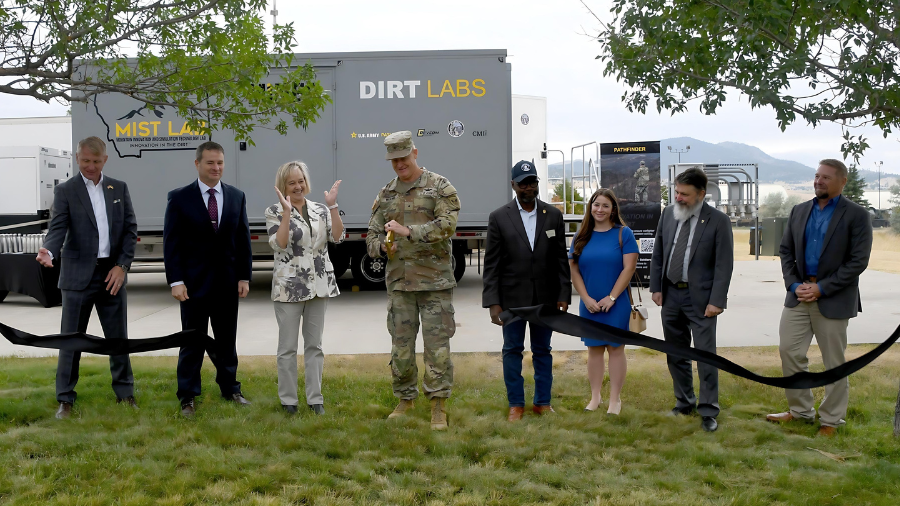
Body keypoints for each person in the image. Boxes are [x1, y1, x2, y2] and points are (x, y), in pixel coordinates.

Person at [766, 159, 872, 437]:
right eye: (816, 176)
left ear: (842, 181)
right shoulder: (800, 210)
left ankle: (831, 420)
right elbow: (786, 251)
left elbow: (857, 261)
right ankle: (800, 411)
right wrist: (793, 285)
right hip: (799, 296)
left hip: (833, 298)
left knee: (834, 362)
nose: (819, 181)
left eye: (826, 177)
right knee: (789, 351)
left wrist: (822, 288)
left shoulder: (856, 215)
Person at [36, 136, 138, 419]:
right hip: (77, 276)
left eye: (95, 161)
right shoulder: (66, 190)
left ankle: (125, 393)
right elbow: (58, 227)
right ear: (77, 159)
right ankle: (65, 399)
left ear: (105, 160)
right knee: (70, 340)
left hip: (112, 274)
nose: (90, 166)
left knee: (118, 338)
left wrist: (122, 266)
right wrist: (49, 250)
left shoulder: (118, 188)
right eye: (85, 161)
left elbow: (130, 230)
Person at [366, 130, 460, 430]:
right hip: (400, 285)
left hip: (434, 284)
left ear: (415, 153)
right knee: (401, 349)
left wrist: (410, 232)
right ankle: (405, 399)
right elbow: (371, 236)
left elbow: (447, 225)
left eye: (403, 158)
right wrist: (382, 246)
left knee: (437, 348)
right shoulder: (386, 194)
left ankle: (438, 405)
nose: (399, 164)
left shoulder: (440, 186)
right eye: (393, 160)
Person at [163, 141, 253, 417]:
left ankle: (230, 388)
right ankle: (188, 395)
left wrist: (244, 276)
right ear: (197, 164)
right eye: (210, 163)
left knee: (227, 339)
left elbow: (243, 240)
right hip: (192, 286)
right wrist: (175, 280)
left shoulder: (236, 196)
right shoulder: (179, 198)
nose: (216, 168)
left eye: (220, 163)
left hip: (227, 283)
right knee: (192, 341)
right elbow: (172, 244)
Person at [482, 161, 570, 422]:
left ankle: (542, 403)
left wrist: (563, 294)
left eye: (532, 181)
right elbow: (492, 264)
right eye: (523, 183)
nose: (528, 187)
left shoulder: (553, 215)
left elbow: (560, 261)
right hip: (512, 300)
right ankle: (516, 405)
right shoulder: (499, 217)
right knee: (512, 350)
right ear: (513, 185)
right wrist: (493, 302)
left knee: (543, 350)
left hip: (545, 299)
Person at [649, 167, 733, 432]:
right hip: (671, 294)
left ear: (701, 194)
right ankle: (684, 402)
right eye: (676, 192)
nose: (679, 198)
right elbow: (659, 253)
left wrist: (717, 301)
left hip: (702, 299)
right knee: (676, 353)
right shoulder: (668, 214)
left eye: (684, 194)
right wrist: (656, 287)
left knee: (705, 355)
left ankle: (708, 410)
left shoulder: (718, 221)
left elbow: (724, 265)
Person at [265, 161, 343, 415]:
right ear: (282, 186)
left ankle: (315, 399)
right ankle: (289, 401)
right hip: (289, 288)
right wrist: (287, 213)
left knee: (315, 346)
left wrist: (332, 206)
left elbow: (338, 236)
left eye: (300, 181)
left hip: (319, 285)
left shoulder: (320, 209)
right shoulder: (273, 211)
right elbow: (280, 243)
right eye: (291, 182)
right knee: (287, 348)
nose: (298, 186)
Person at [569, 189, 638, 415]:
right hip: (589, 304)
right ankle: (595, 397)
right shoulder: (581, 235)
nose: (600, 209)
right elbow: (574, 271)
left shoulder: (623, 234)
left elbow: (629, 268)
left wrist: (612, 297)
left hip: (616, 303)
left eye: (605, 206)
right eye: (596, 204)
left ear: (613, 210)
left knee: (616, 349)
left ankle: (615, 400)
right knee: (594, 350)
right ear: (590, 207)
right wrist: (586, 298)